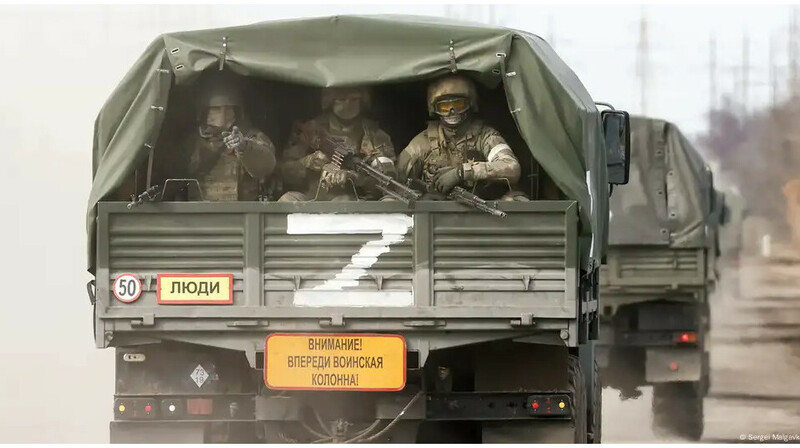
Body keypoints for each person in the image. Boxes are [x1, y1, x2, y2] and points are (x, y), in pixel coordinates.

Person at [397, 75, 528, 201]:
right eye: (444, 107)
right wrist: (419, 198)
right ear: (434, 109)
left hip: (484, 210)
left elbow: (511, 168)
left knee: (518, 199)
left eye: (458, 105)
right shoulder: (422, 143)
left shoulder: (486, 136)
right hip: (437, 213)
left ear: (470, 104)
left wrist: (463, 172)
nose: (451, 112)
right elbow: (395, 183)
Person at [278, 87, 396, 202]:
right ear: (330, 101)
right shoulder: (310, 130)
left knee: (344, 202)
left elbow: (385, 179)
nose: (348, 104)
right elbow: (284, 170)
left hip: (352, 200)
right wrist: (307, 162)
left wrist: (354, 177)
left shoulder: (374, 135)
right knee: (287, 200)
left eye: (354, 99)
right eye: (341, 99)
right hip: (311, 197)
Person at [185, 80, 276, 201]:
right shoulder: (192, 142)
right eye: (216, 109)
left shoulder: (252, 136)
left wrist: (244, 147)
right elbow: (174, 171)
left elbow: (266, 166)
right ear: (204, 112)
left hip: (244, 214)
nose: (223, 114)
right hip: (199, 214)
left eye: (228, 108)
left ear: (236, 111)